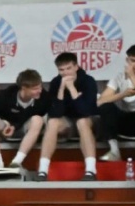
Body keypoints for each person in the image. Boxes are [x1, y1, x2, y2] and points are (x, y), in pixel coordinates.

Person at [39, 51, 100, 181]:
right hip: (68, 122)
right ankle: (43, 170)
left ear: (76, 67)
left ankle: (90, 170)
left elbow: (85, 111)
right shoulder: (56, 82)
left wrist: (72, 89)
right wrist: (61, 90)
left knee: (82, 122)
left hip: (90, 121)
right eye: (62, 70)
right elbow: (54, 113)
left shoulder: (88, 81)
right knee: (52, 123)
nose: (66, 73)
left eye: (69, 68)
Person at [96, 43, 135, 163]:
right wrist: (122, 94)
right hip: (125, 124)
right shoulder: (119, 77)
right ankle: (114, 151)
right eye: (133, 60)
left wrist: (132, 76)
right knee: (106, 106)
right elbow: (99, 102)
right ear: (127, 60)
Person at [0, 68, 48, 175]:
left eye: (40, 86)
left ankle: (16, 162)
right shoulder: (4, 95)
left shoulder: (44, 98)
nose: (40, 90)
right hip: (5, 128)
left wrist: (14, 126)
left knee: (38, 120)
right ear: (23, 88)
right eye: (35, 88)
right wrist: (7, 124)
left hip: (28, 130)